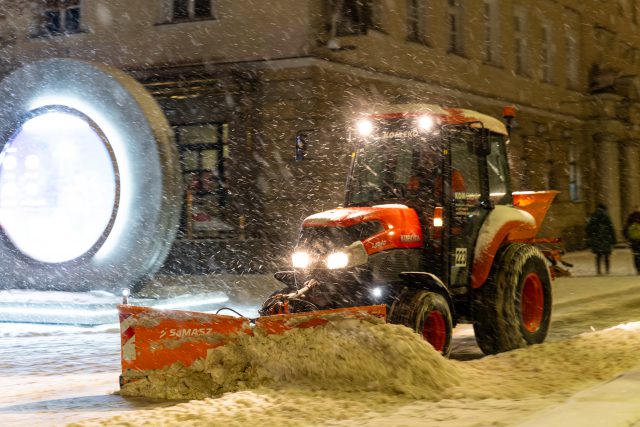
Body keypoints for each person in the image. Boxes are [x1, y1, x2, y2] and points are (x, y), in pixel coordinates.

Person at [586, 203, 617, 275]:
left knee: (598, 255)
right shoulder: (606, 216)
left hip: (596, 238)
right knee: (606, 255)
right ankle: (607, 270)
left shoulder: (594, 216)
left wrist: (590, 238)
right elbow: (611, 228)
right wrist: (614, 239)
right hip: (606, 238)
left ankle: (598, 270)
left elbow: (588, 228)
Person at [623, 206, 640, 274]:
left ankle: (638, 269)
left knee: (635, 255)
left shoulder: (630, 217)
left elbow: (625, 229)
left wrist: (627, 238)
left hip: (633, 240)